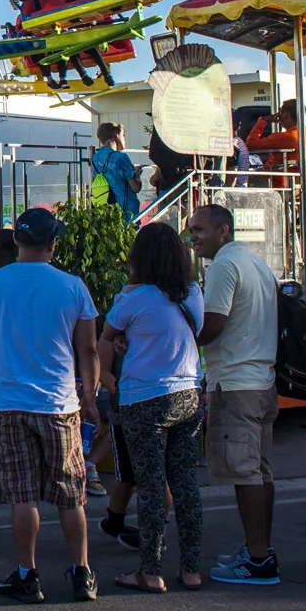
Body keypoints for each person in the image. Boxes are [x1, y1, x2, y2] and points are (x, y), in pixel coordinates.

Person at [0, 207, 101, 604]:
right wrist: (89, 396)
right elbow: (88, 348)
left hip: (10, 403)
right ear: (53, 244)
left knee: (23, 496)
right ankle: (82, 571)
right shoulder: (72, 285)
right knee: (71, 494)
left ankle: (28, 574)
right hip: (60, 404)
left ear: (16, 241)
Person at [101, 223, 206, 592]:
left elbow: (107, 335)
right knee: (185, 485)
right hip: (188, 393)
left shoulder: (135, 297)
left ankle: (150, 571)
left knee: (150, 487)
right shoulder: (193, 293)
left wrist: (115, 362)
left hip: (144, 398)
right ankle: (191, 569)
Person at [187, 203, 283, 586]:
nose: (193, 237)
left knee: (246, 475)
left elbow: (213, 324)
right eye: (191, 230)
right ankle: (259, 550)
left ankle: (258, 559)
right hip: (261, 380)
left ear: (223, 230)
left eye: (199, 229)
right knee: (259, 472)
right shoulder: (255, 261)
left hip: (236, 382)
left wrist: (179, 339)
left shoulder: (224, 265)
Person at [246, 100, 306, 188]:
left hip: (275, 182)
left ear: (286, 115)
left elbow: (249, 145)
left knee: (244, 177)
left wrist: (262, 120)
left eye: (281, 113)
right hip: (302, 184)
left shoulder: (282, 137)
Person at [90, 123, 143, 222]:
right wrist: (138, 176)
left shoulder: (95, 158)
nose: (124, 139)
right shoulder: (121, 158)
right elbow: (136, 188)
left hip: (105, 211)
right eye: (123, 135)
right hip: (126, 212)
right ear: (116, 135)